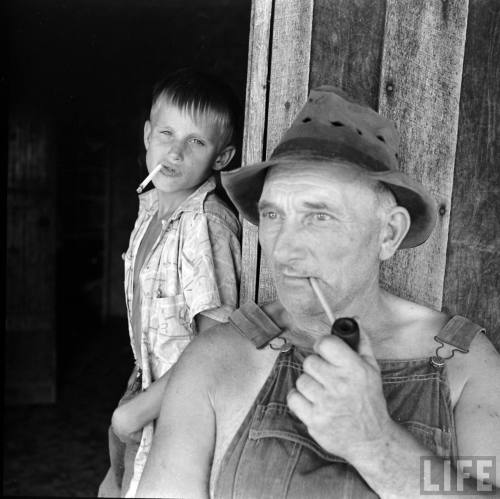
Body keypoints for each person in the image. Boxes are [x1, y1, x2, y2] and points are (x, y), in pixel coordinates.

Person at [136, 86, 500, 498]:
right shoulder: (220, 357)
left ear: (389, 233)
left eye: (319, 215)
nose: (284, 248)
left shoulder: (462, 367)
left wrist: (376, 444)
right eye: (273, 214)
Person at [97, 68, 242, 497]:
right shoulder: (150, 210)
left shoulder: (207, 225)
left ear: (221, 157)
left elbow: (216, 348)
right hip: (145, 385)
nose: (174, 153)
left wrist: (133, 415)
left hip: (184, 408)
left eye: (195, 142)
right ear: (147, 135)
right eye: (166, 134)